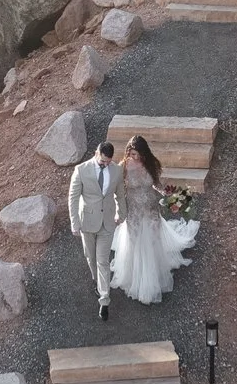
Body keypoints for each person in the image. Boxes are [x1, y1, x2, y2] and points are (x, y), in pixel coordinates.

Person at [107, 134, 200, 305]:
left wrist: (173, 197)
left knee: (153, 239)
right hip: (133, 210)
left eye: (137, 154)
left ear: (144, 153)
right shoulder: (123, 167)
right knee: (134, 241)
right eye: (132, 153)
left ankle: (155, 272)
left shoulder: (151, 164)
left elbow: (158, 185)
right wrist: (117, 210)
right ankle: (135, 275)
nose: (134, 157)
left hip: (151, 209)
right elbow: (117, 190)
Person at [67, 141, 121, 319]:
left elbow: (120, 193)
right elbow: (73, 198)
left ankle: (104, 300)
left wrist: (122, 214)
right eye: (103, 161)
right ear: (96, 153)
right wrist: (74, 223)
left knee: (102, 261)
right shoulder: (81, 170)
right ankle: (96, 281)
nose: (106, 165)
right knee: (91, 257)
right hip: (87, 222)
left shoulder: (116, 170)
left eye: (108, 162)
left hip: (107, 222)